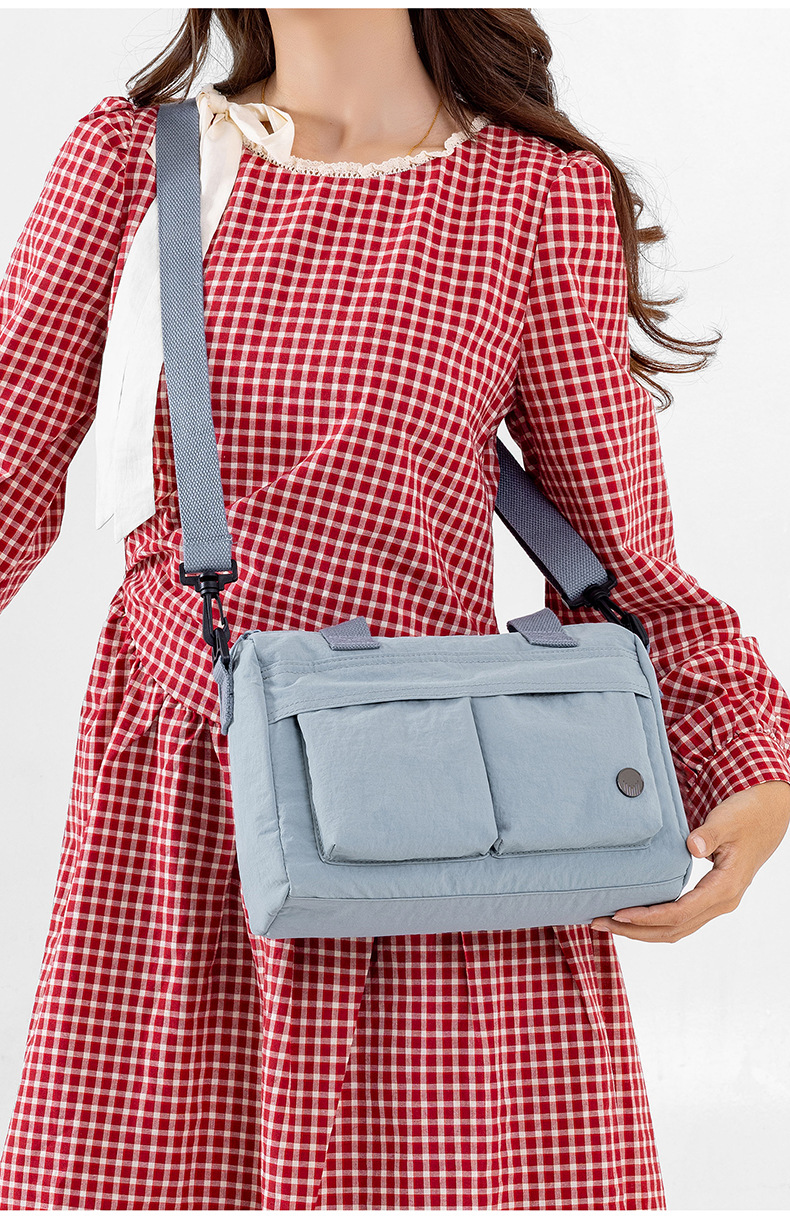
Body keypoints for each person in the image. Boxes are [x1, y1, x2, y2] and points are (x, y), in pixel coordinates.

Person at [0, 8, 788, 1211]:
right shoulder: (133, 164)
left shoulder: (533, 193)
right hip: (188, 828)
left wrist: (737, 751)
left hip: (440, 816)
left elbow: (614, 555)